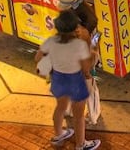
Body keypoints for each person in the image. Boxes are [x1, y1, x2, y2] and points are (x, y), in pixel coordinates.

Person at [35, 11, 100, 150]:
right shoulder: (79, 46)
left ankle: (59, 134)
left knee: (60, 108)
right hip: (75, 81)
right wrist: (93, 52)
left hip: (58, 79)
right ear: (74, 28)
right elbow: (85, 67)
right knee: (78, 116)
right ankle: (81, 144)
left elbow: (38, 57)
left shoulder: (51, 41)